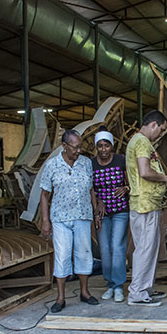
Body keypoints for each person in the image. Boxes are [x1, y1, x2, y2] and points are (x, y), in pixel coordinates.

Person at [125, 110, 167, 306]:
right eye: (160, 130)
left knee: (150, 249)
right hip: (144, 205)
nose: (160, 134)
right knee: (144, 249)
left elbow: (152, 172)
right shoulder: (142, 142)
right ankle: (137, 293)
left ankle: (146, 289)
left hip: (148, 203)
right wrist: (166, 178)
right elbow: (145, 172)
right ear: (153, 125)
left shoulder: (141, 142)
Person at [40, 129, 102, 312]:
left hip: (83, 216)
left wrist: (95, 212)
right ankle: (60, 298)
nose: (79, 150)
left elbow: (91, 189)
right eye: (75, 147)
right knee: (62, 256)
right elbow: (44, 195)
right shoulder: (52, 165)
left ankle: (84, 292)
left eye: (80, 146)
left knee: (84, 254)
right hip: (60, 219)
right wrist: (45, 221)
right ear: (64, 146)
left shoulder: (85, 164)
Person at [92, 127, 130, 303]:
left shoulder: (121, 160)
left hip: (120, 210)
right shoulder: (91, 164)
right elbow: (91, 189)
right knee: (105, 250)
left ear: (112, 146)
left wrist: (126, 188)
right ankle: (110, 284)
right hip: (102, 213)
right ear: (96, 147)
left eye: (106, 146)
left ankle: (119, 286)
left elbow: (130, 181)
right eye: (100, 146)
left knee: (117, 247)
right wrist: (97, 205)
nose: (103, 150)